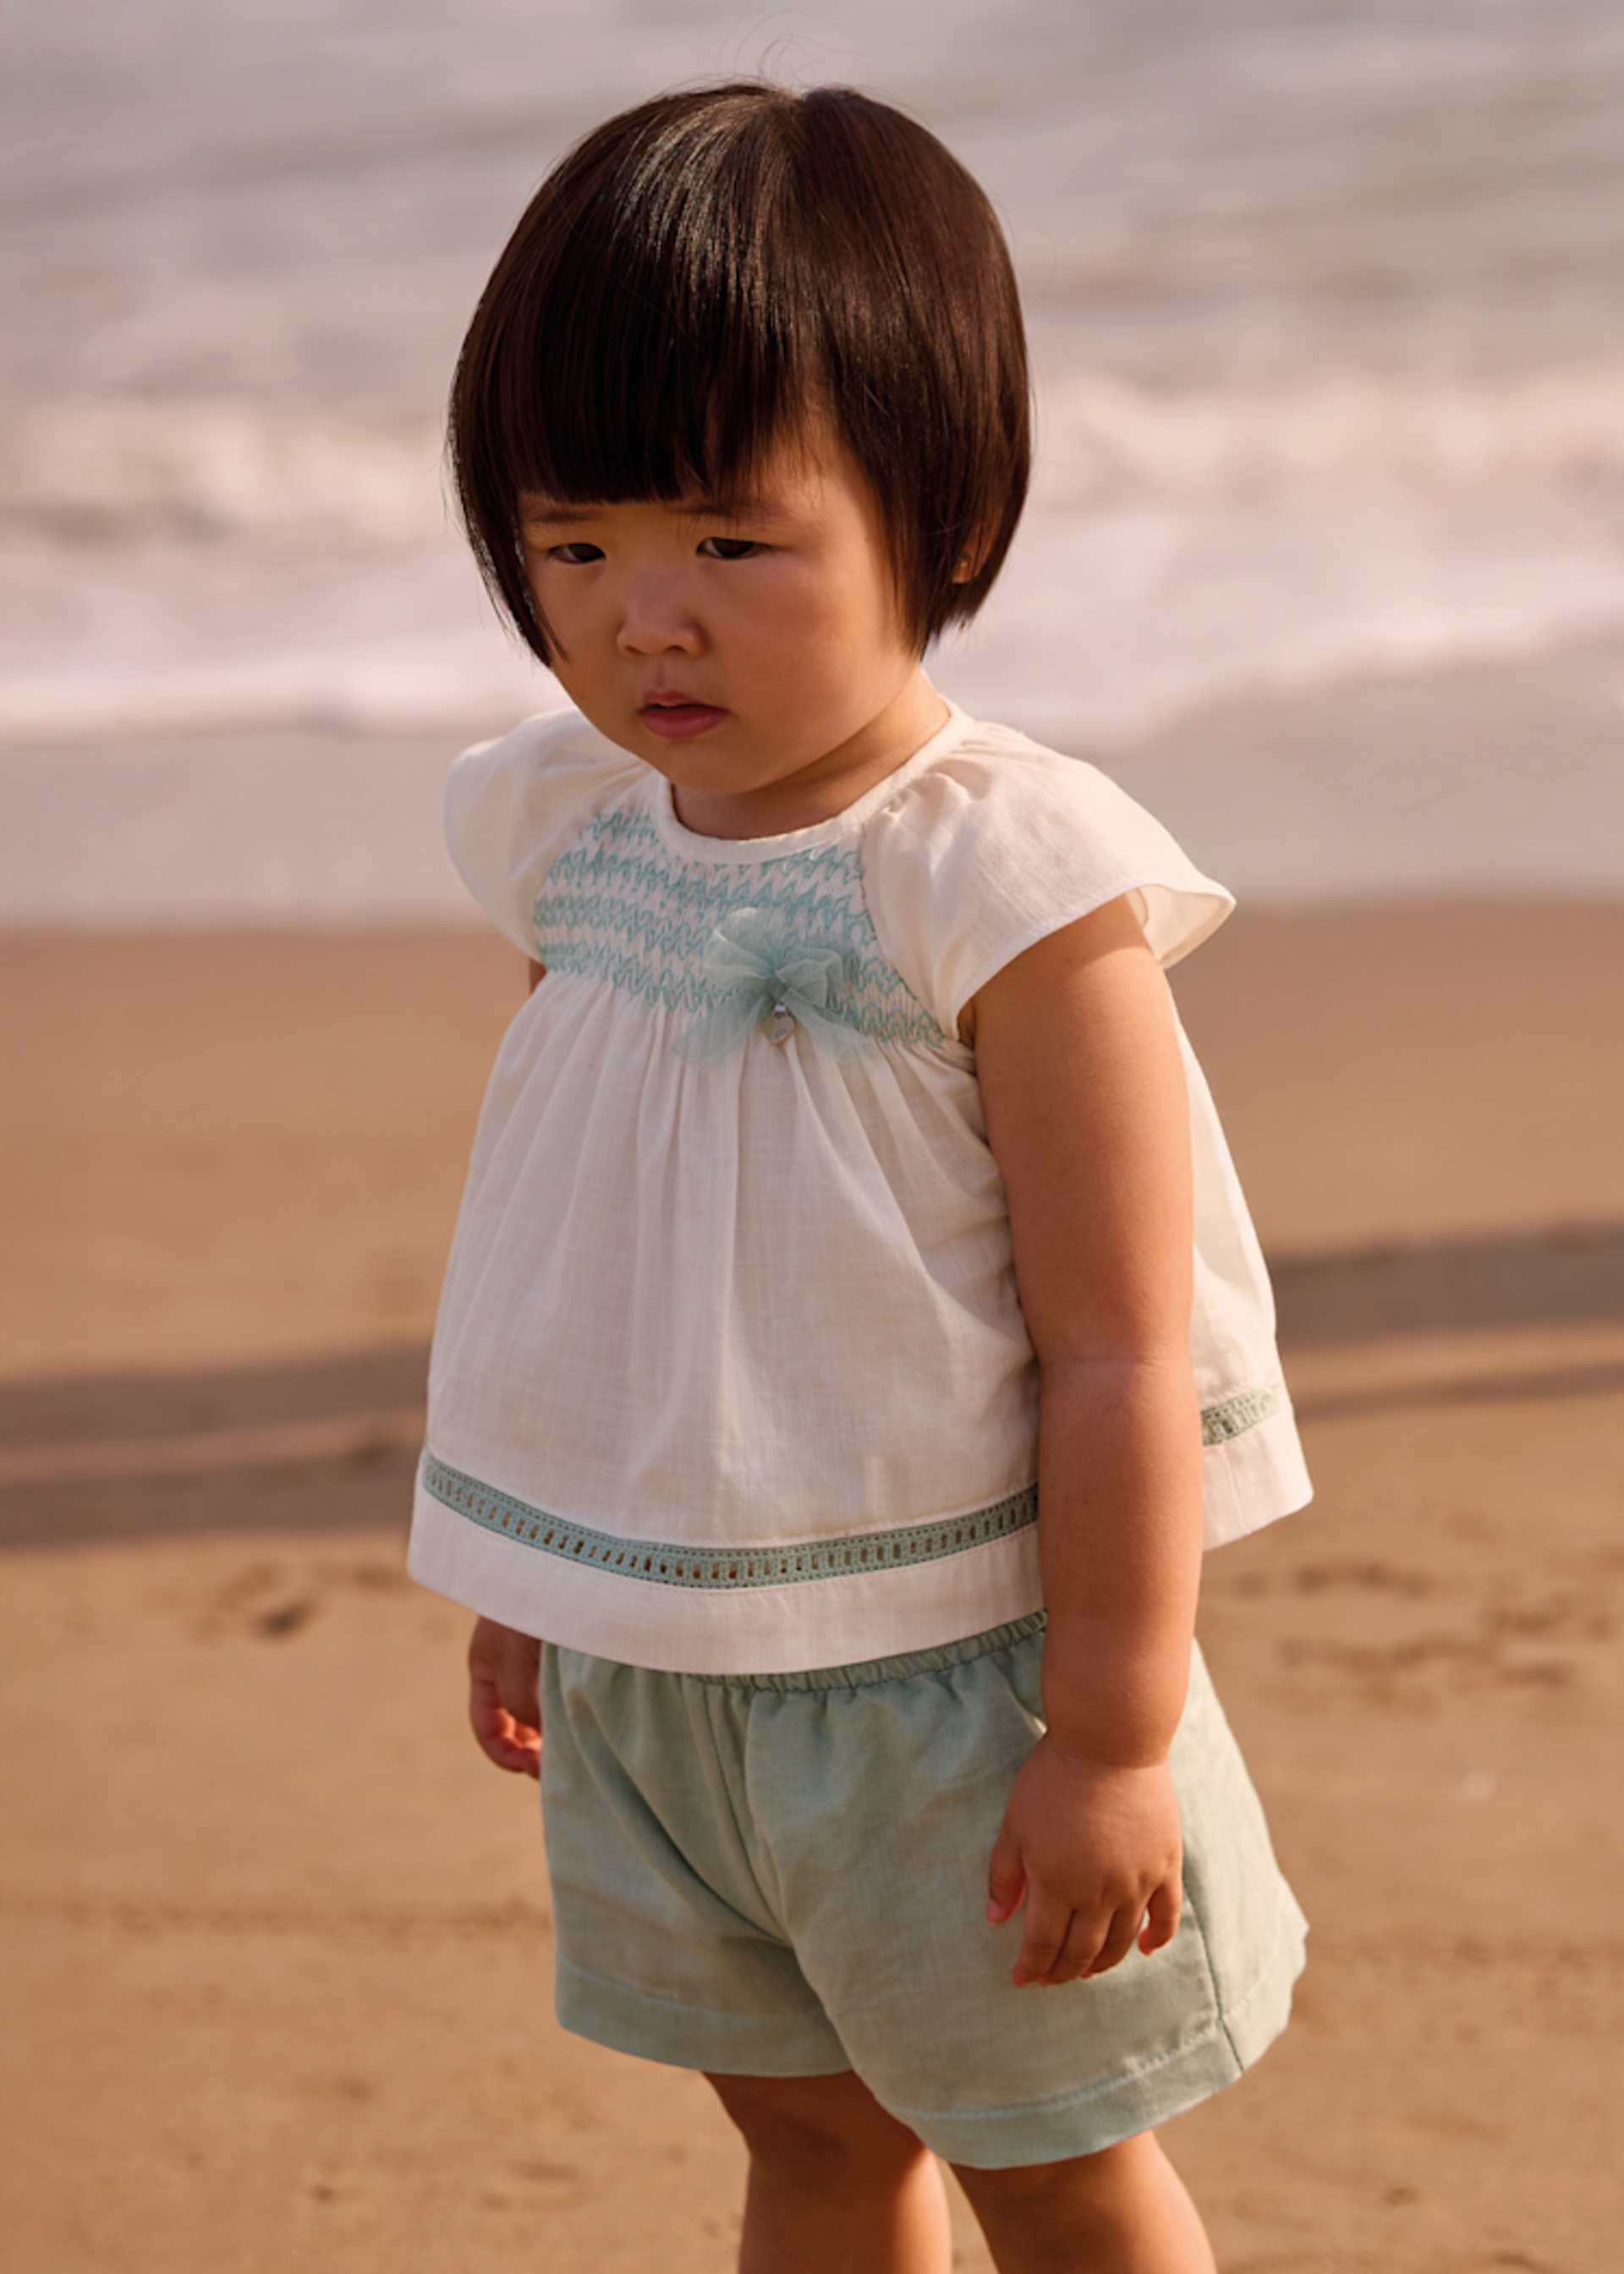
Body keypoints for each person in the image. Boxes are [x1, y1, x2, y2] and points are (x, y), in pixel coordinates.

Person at [407, 74, 1314, 2274]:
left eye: (732, 541)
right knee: (810, 2151)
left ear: (945, 525)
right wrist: (546, 1559)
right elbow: (588, 1228)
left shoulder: (1004, 885)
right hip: (669, 1677)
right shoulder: (571, 832)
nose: (647, 619)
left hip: (961, 1681)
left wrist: (1106, 1738)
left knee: (1055, 2162)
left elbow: (1115, 1345)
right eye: (574, 546)